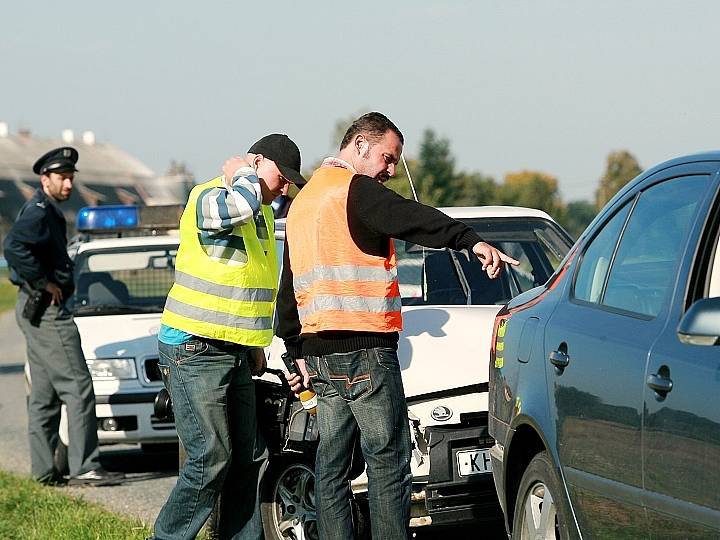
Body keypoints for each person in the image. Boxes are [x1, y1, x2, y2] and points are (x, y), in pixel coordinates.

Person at [277, 112, 519, 539]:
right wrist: (470, 240)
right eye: (388, 158)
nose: (390, 170)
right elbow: (413, 217)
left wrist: (295, 350)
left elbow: (289, 286)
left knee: (331, 466)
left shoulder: (305, 201)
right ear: (360, 146)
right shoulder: (355, 191)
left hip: (320, 358)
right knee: (387, 461)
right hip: (364, 351)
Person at [151, 134, 306, 540]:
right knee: (209, 459)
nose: (285, 187)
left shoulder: (264, 215)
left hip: (232, 351)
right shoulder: (210, 195)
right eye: (280, 176)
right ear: (254, 162)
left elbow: (248, 285)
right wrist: (242, 174)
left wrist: (253, 345)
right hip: (193, 347)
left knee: (250, 458)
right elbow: (239, 203)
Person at [4, 147, 124, 486]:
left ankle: (44, 472)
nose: (68, 184)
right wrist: (44, 283)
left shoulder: (45, 210)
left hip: (35, 311)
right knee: (78, 387)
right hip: (48, 312)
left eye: (71, 178)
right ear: (45, 180)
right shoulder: (39, 211)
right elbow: (13, 247)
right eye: (62, 178)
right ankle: (85, 466)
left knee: (44, 396)